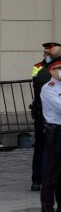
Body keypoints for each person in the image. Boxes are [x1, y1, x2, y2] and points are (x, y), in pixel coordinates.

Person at [31, 43, 61, 191]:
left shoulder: (41, 69)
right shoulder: (42, 72)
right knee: (44, 150)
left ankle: (39, 179)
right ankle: (41, 179)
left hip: (44, 115)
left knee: (42, 149)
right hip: (46, 117)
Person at [39, 56, 61, 212]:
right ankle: (47, 208)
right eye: (58, 68)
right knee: (51, 173)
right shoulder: (49, 88)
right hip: (55, 133)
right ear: (51, 70)